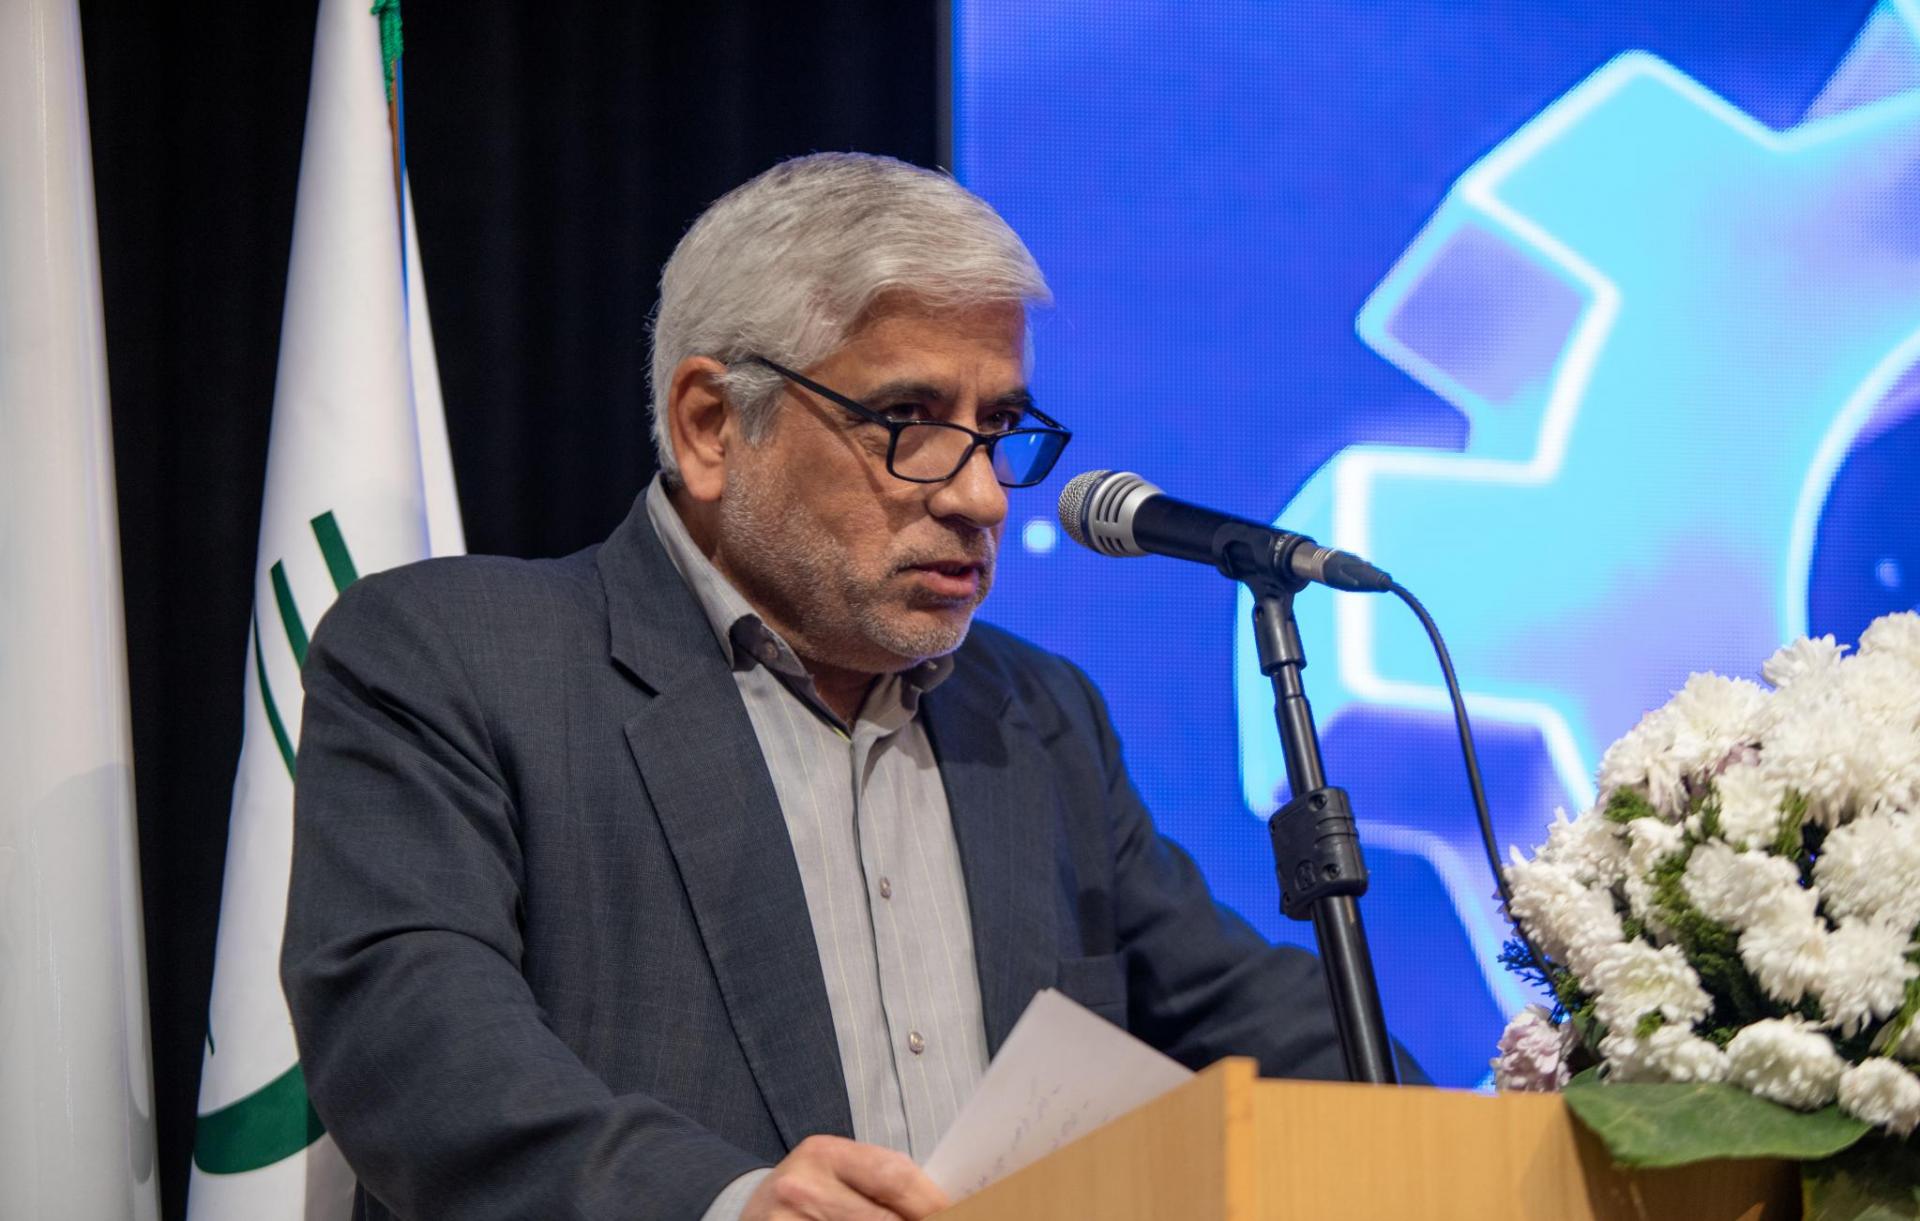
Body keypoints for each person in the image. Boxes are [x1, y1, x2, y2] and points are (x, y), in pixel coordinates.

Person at [284, 153, 1391, 1221]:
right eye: (909, 421)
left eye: (998, 428)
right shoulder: (457, 660)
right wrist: (722, 1205)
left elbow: (1253, 1020)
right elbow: (411, 1040)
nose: (981, 497)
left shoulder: (1037, 716)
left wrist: (1471, 1135)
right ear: (711, 425)